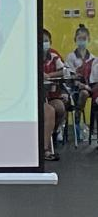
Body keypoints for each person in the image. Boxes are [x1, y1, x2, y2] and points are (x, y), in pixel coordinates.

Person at [65, 24, 98, 137]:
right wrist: (81, 85)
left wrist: (89, 87)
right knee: (83, 93)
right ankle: (78, 117)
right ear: (75, 39)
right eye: (79, 38)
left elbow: (94, 78)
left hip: (90, 87)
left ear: (89, 39)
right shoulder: (71, 57)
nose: (82, 41)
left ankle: (92, 127)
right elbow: (69, 76)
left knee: (89, 93)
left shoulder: (93, 58)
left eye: (84, 38)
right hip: (75, 87)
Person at [42, 28, 66, 162]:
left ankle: (54, 131)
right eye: (41, 41)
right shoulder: (30, 54)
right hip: (38, 96)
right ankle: (45, 148)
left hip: (52, 94)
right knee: (48, 111)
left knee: (60, 108)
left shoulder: (54, 55)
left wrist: (49, 75)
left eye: (46, 41)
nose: (44, 43)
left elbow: (63, 71)